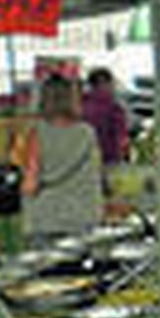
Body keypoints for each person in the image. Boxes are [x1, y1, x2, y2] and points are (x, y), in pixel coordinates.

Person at [19, 76, 103, 241]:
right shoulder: (88, 132)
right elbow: (96, 170)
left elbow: (30, 183)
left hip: (47, 217)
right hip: (84, 214)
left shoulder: (37, 133)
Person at [81, 68, 130, 166]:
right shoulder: (114, 108)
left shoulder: (79, 104)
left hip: (82, 160)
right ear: (104, 83)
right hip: (108, 159)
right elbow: (122, 138)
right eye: (111, 83)